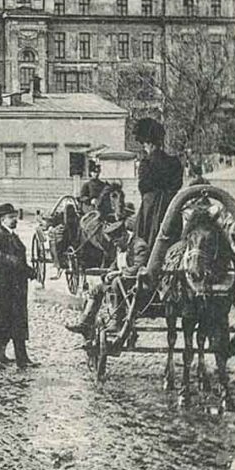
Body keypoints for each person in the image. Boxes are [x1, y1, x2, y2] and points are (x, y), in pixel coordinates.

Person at [66, 222, 149, 335]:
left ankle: (117, 320)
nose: (115, 245)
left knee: (116, 282)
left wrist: (118, 273)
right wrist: (109, 273)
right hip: (122, 283)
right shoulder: (121, 246)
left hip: (135, 284)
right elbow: (115, 264)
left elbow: (138, 268)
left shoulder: (139, 246)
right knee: (96, 289)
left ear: (124, 235)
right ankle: (85, 323)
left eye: (116, 242)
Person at [0, 203, 38, 367]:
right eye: (10, 217)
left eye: (15, 217)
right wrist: (12, 260)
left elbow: (20, 261)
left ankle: (13, 357)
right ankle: (5, 357)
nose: (14, 220)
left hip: (16, 287)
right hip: (4, 287)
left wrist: (29, 271)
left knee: (15, 322)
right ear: (2, 219)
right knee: (6, 322)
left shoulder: (13, 236)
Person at [134, 118, 183, 248]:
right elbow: (177, 184)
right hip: (171, 206)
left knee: (143, 239)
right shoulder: (174, 162)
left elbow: (143, 186)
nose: (144, 148)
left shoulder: (146, 164)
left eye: (144, 145)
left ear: (149, 144)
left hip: (151, 208)